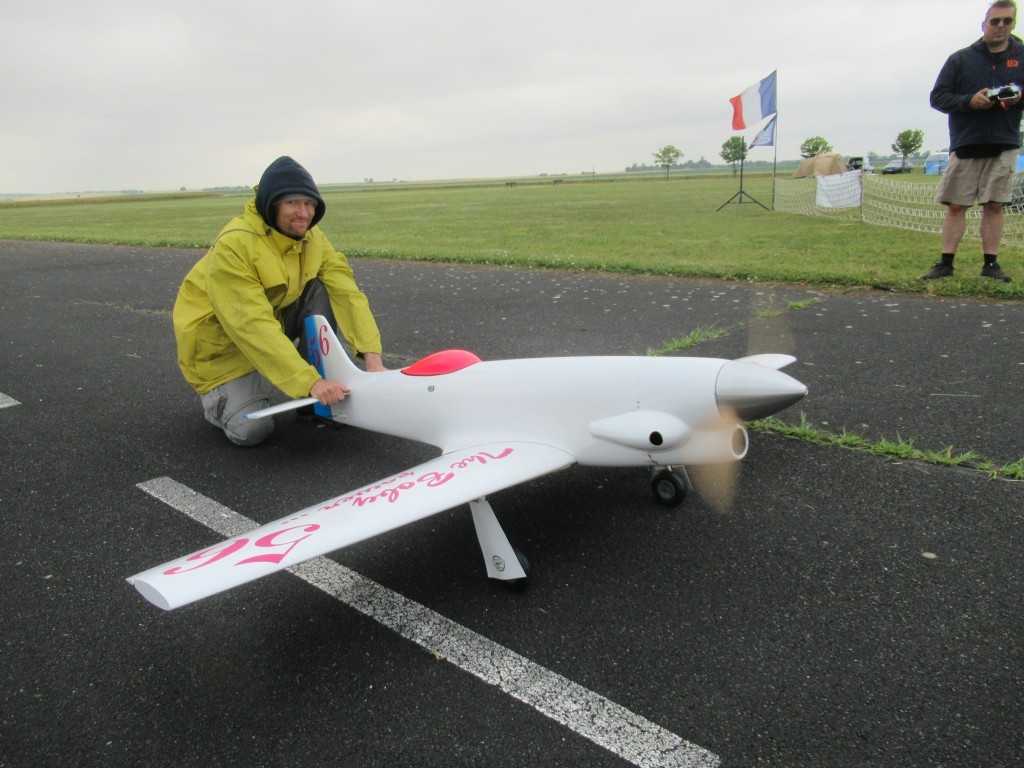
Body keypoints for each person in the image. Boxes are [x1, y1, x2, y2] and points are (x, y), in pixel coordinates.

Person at [173, 156, 386, 446]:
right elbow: (252, 325)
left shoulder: (312, 237)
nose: (304, 213)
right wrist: (308, 382)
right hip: (223, 345)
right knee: (251, 432)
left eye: (309, 203)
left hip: (270, 319)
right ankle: (218, 402)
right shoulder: (234, 245)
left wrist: (373, 359)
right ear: (271, 205)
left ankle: (316, 402)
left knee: (324, 287)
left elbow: (346, 292)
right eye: (292, 203)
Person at [925, 0, 1023, 282]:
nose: (1001, 27)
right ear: (984, 25)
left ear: (1013, 24)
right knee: (956, 205)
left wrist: (1018, 98)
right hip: (967, 143)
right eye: (995, 22)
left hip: (1004, 143)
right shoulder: (960, 59)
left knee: (995, 205)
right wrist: (970, 100)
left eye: (1007, 21)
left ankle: (990, 264)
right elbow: (938, 98)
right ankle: (945, 263)